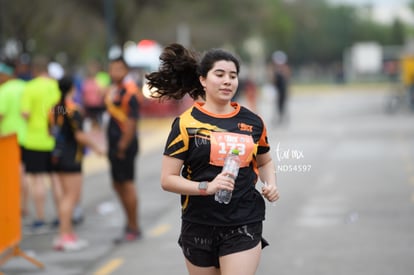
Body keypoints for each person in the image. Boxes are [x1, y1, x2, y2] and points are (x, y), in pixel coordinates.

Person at [146, 43, 280, 275]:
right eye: (219, 74)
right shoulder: (186, 123)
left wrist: (271, 184)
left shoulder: (253, 122)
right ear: (203, 80)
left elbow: (264, 160)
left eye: (233, 76)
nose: (228, 81)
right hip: (198, 225)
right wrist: (207, 187)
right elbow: (167, 179)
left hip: (243, 222)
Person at [50, 75, 104, 251]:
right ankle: (64, 236)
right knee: (71, 198)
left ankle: (67, 234)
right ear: (73, 88)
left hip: (57, 154)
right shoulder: (74, 109)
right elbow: (79, 135)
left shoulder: (55, 108)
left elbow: (50, 130)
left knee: (65, 196)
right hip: (72, 157)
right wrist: (96, 147)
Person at [21, 55, 61, 233]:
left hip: (34, 140)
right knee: (55, 180)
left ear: (34, 70)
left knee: (37, 180)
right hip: (54, 140)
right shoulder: (55, 86)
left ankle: (40, 218)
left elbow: (25, 114)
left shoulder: (29, 88)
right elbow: (62, 109)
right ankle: (61, 216)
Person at [105, 56, 142, 244]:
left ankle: (134, 226)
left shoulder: (130, 92)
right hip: (114, 145)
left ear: (126, 70)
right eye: (112, 69)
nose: (115, 72)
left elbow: (132, 121)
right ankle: (129, 224)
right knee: (117, 184)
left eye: (119, 69)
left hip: (124, 146)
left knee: (127, 184)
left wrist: (122, 145)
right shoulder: (114, 91)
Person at [0, 60, 28, 216]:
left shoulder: (3, 91)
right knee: (23, 173)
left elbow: (0, 114)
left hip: (8, 139)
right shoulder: (25, 87)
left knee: (13, 174)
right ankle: (24, 205)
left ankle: (15, 205)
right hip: (27, 137)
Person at [272, 50, 291, 124]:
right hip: (277, 90)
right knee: (277, 104)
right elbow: (273, 80)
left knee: (282, 104)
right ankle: (279, 117)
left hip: (283, 90)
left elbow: (287, 79)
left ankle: (282, 116)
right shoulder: (274, 69)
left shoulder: (285, 69)